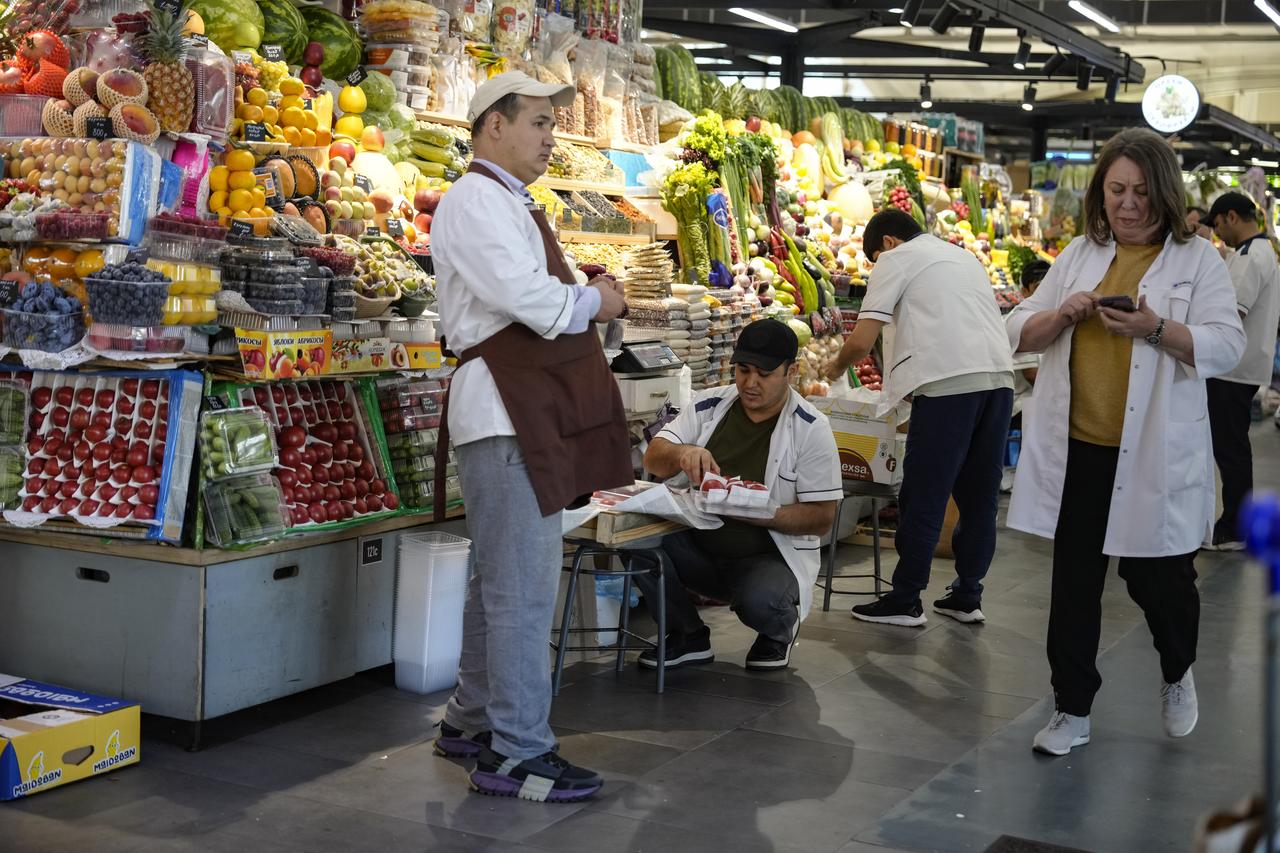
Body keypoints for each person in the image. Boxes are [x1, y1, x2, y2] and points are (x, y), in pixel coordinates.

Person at [1006, 128, 1245, 757]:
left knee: (1159, 583)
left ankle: (1176, 669)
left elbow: (1228, 343)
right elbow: (1018, 329)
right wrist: (1062, 314)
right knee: (1074, 587)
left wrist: (1156, 327)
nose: (1129, 203)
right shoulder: (1080, 255)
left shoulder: (1198, 260)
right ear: (1101, 192)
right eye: (1117, 189)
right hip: (1081, 449)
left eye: (1141, 190)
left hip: (1153, 457)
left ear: (1164, 192)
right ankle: (1072, 708)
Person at [428, 71, 633, 802]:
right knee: (521, 588)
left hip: (519, 410)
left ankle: (470, 719)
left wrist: (589, 297)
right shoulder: (475, 200)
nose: (551, 138)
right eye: (540, 123)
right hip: (504, 411)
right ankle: (516, 750)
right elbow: (532, 301)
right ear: (492, 127)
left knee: (499, 580)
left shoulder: (506, 201)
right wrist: (596, 298)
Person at [825, 209, 1015, 627]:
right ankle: (967, 595)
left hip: (948, 383)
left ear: (888, 243)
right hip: (999, 380)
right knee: (979, 497)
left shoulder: (896, 258)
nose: (878, 265)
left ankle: (906, 599)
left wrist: (834, 369)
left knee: (924, 492)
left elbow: (862, 340)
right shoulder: (962, 256)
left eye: (875, 257)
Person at [634, 320, 841, 670]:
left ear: (791, 371)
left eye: (764, 374)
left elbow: (822, 517)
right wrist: (683, 453)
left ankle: (777, 631)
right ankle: (687, 635)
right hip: (699, 550)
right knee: (631, 533)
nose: (750, 383)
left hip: (768, 558)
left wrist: (760, 513)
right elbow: (654, 455)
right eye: (743, 370)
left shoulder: (810, 429)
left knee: (763, 601)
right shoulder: (709, 405)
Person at [1203, 192, 1280, 549]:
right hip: (1241, 365)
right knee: (1231, 445)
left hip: (1233, 367)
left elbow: (1234, 314)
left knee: (1230, 448)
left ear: (1231, 216)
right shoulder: (1257, 253)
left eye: (1218, 225)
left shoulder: (1251, 256)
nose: (1219, 234)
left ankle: (1236, 525)